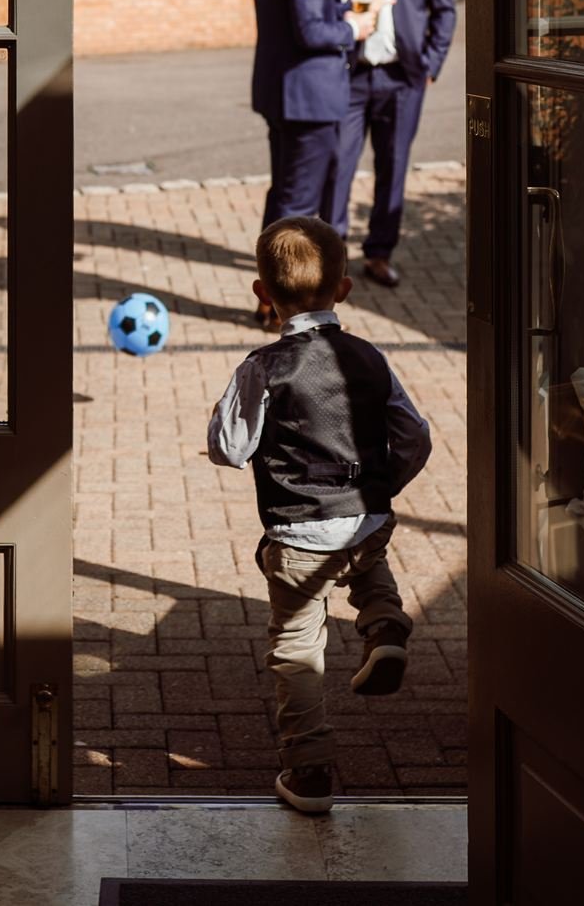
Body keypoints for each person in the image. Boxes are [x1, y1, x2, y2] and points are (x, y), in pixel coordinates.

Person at [207, 214, 434, 814]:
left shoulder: (263, 367)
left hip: (297, 530)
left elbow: (228, 449)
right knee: (364, 559)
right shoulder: (370, 358)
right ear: (344, 289)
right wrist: (384, 486)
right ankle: (384, 622)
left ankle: (308, 771)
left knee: (297, 648)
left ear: (262, 294)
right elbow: (415, 436)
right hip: (365, 518)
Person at [249, 0, 381, 329]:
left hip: (283, 95)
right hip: (307, 102)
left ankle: (270, 296)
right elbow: (311, 32)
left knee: (283, 193)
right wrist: (355, 30)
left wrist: (350, 0)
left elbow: (313, 2)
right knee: (299, 205)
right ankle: (284, 306)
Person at [321, 0, 459, 288]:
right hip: (350, 76)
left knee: (393, 167)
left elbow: (445, 11)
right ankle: (331, 258)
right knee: (337, 167)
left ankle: (379, 253)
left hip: (402, 79)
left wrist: (432, 65)